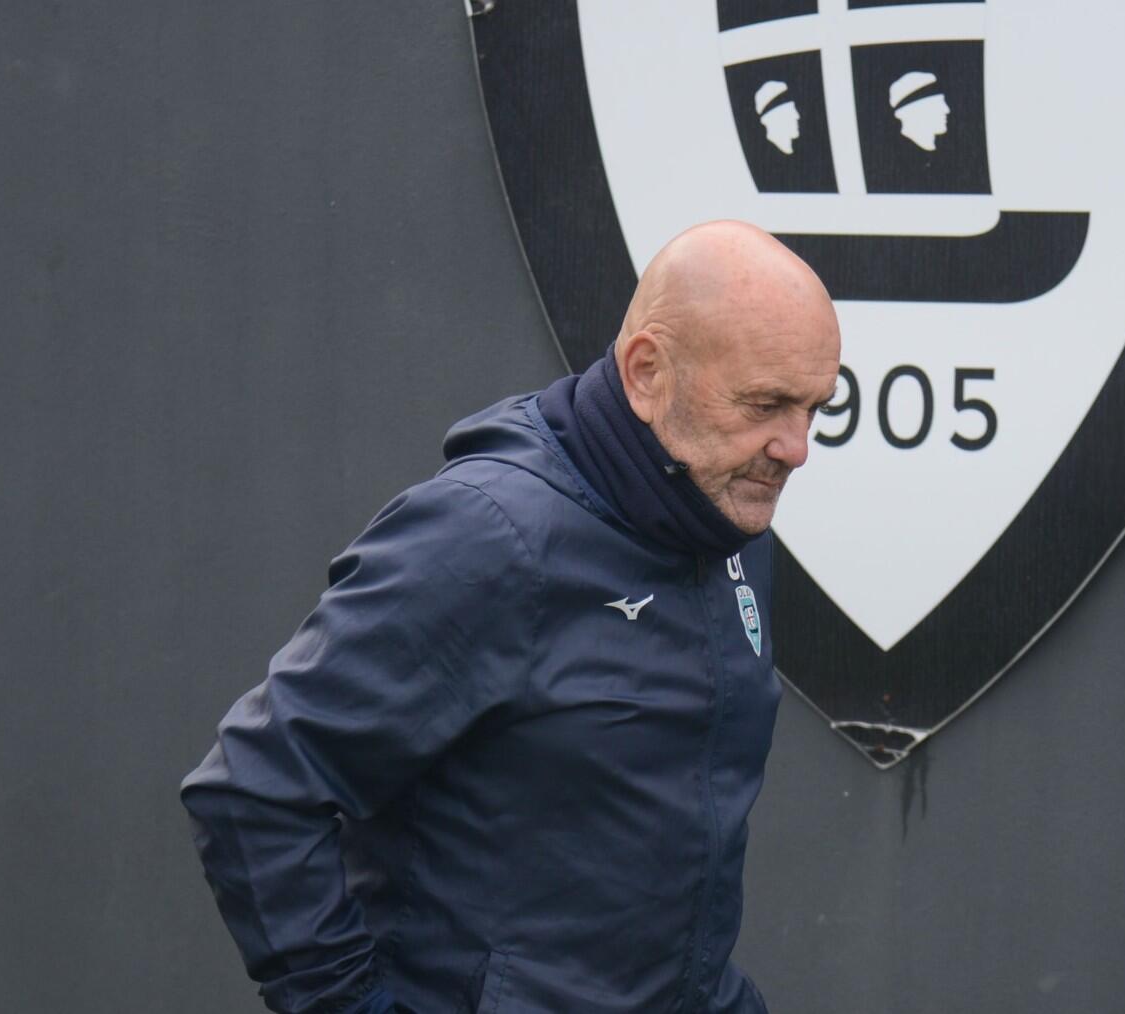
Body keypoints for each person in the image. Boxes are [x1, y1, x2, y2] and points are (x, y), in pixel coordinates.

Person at [180, 220, 842, 1014]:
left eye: (814, 408)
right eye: (766, 404)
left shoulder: (726, 522)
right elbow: (255, 788)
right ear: (647, 371)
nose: (796, 447)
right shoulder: (490, 535)